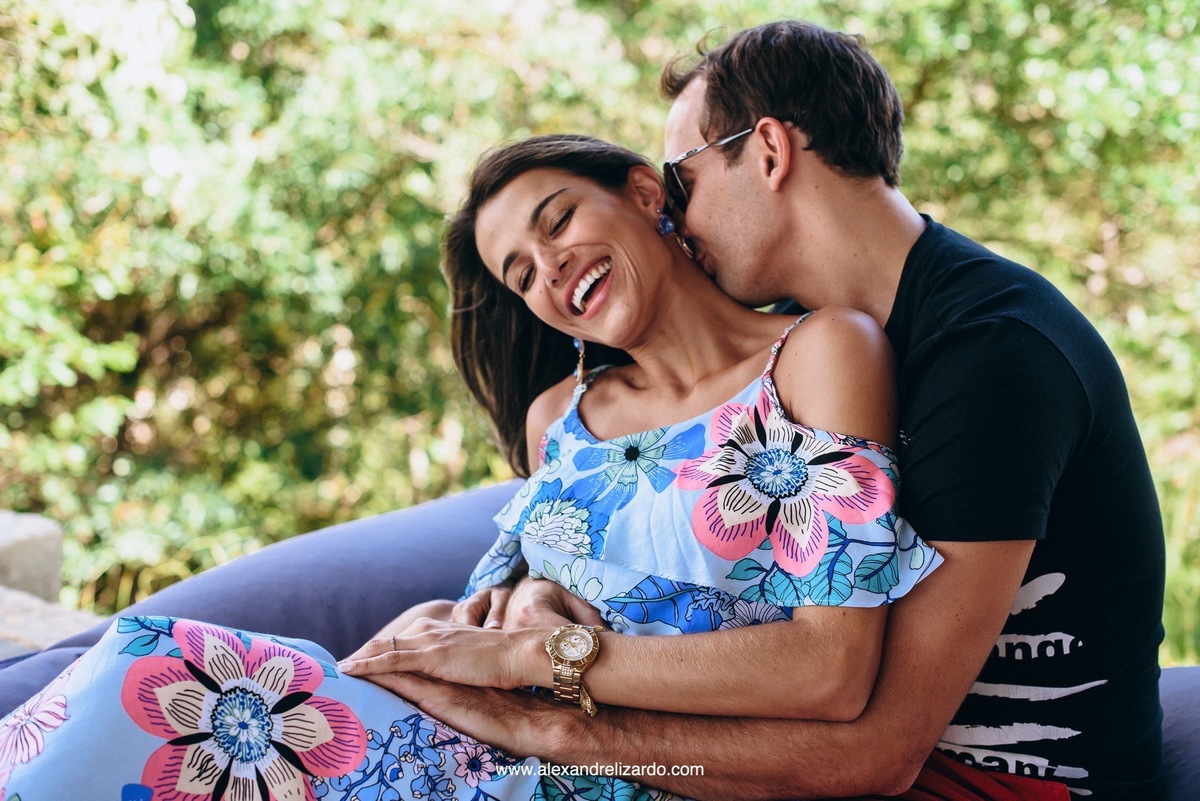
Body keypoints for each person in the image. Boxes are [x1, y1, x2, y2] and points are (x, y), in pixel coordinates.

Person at [0, 135, 953, 800]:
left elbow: (830, 670)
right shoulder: (560, 421)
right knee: (132, 664)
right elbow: (528, 591)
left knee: (146, 676)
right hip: (461, 732)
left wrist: (543, 660)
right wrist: (516, 605)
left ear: (643, 191)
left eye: (556, 220)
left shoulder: (817, 354)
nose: (550, 269)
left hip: (639, 772)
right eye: (521, 275)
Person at [387, 20, 1166, 801]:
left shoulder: (996, 355)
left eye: (681, 183)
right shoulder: (802, 349)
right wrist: (533, 583)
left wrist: (562, 717)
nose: (676, 220)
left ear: (768, 151)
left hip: (997, 782)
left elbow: (877, 749)